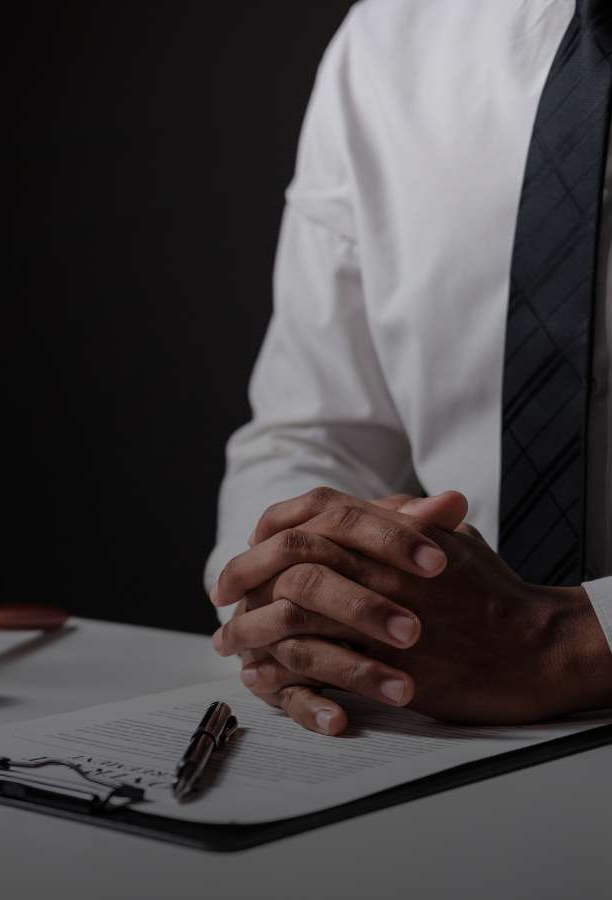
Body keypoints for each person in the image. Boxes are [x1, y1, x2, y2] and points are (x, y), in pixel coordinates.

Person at [205, 0, 612, 735]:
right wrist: (312, 597)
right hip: (444, 745)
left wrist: (577, 640)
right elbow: (312, 439)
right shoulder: (388, 39)